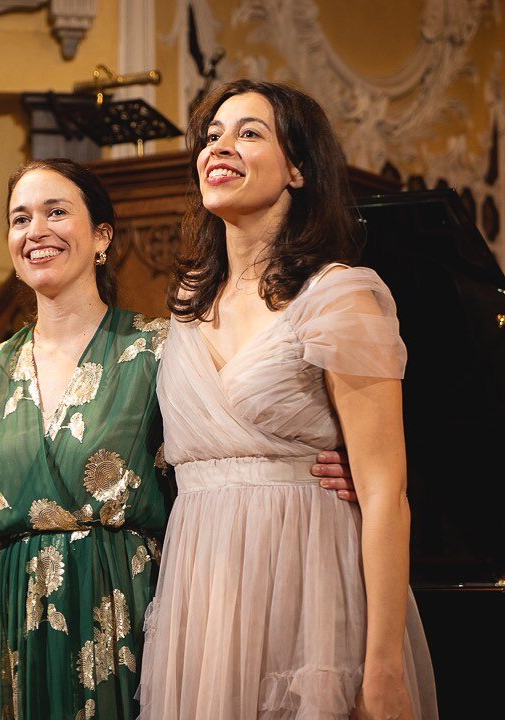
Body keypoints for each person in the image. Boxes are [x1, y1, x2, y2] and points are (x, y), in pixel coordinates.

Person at [0, 158, 358, 720]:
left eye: (57, 212)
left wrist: (321, 467)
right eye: (20, 218)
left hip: (125, 613)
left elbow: (234, 442)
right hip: (9, 625)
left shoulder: (157, 349)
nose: (36, 231)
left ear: (102, 236)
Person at [137, 81, 438, 720]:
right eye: (212, 133)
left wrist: (382, 667)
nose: (220, 145)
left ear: (298, 168)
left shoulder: (338, 296)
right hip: (205, 590)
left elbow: (386, 490)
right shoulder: (187, 305)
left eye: (250, 132)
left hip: (308, 581)